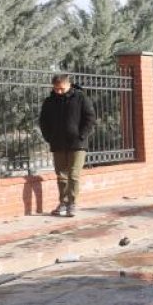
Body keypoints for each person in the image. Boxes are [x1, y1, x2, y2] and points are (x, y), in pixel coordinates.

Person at [39, 74, 96, 217]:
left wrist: (81, 135)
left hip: (77, 144)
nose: (58, 91)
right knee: (61, 175)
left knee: (74, 174)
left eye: (61, 89)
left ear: (68, 85)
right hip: (58, 143)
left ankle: (72, 203)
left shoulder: (81, 97)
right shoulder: (49, 101)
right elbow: (43, 121)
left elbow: (90, 118)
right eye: (56, 89)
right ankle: (63, 203)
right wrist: (49, 137)